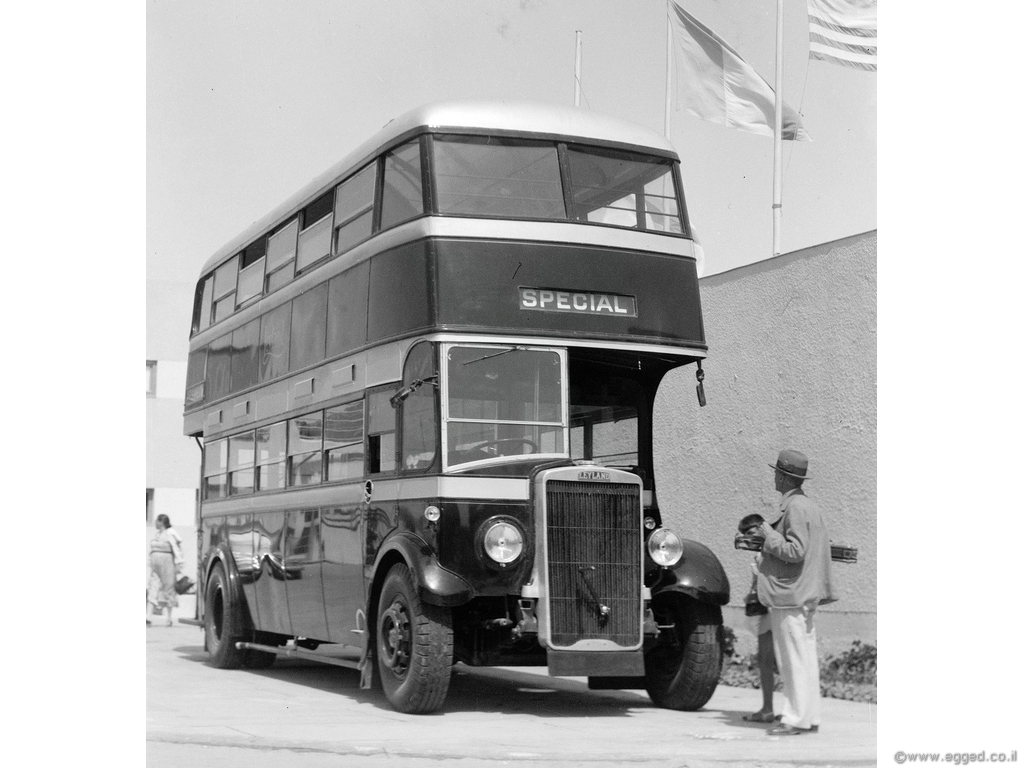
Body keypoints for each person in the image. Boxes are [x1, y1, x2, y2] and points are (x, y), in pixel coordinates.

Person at [756, 450, 835, 736]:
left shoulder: (795, 508)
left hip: (790, 594)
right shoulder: (808, 506)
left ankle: (794, 719)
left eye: (777, 473)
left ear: (783, 476)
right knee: (804, 658)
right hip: (803, 593)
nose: (774, 477)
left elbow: (795, 551)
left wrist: (768, 534)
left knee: (792, 660)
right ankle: (808, 717)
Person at [737, 513, 778, 724]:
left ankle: (768, 709)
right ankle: (769, 707)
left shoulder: (768, 550)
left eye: (752, 533)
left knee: (767, 660)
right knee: (767, 660)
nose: (749, 538)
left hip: (772, 609)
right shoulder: (762, 552)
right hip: (766, 608)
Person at [147, 514, 184, 627]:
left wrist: (179, 563)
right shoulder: (157, 534)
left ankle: (169, 618)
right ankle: (148, 616)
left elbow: (177, 549)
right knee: (153, 587)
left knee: (169, 590)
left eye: (157, 521)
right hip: (156, 566)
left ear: (161, 522)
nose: (155, 523)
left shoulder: (170, 533)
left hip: (167, 564)